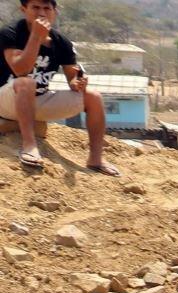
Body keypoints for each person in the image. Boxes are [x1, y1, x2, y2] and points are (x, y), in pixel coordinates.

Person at [0, 0, 116, 174]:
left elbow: (72, 78)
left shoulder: (61, 42)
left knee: (93, 96)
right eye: (36, 7)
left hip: (38, 100)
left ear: (55, 12)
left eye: (47, 8)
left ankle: (96, 159)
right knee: (26, 82)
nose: (42, 13)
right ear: (24, 10)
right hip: (6, 99)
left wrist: (78, 83)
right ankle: (29, 146)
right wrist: (36, 38)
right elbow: (20, 69)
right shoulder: (10, 33)